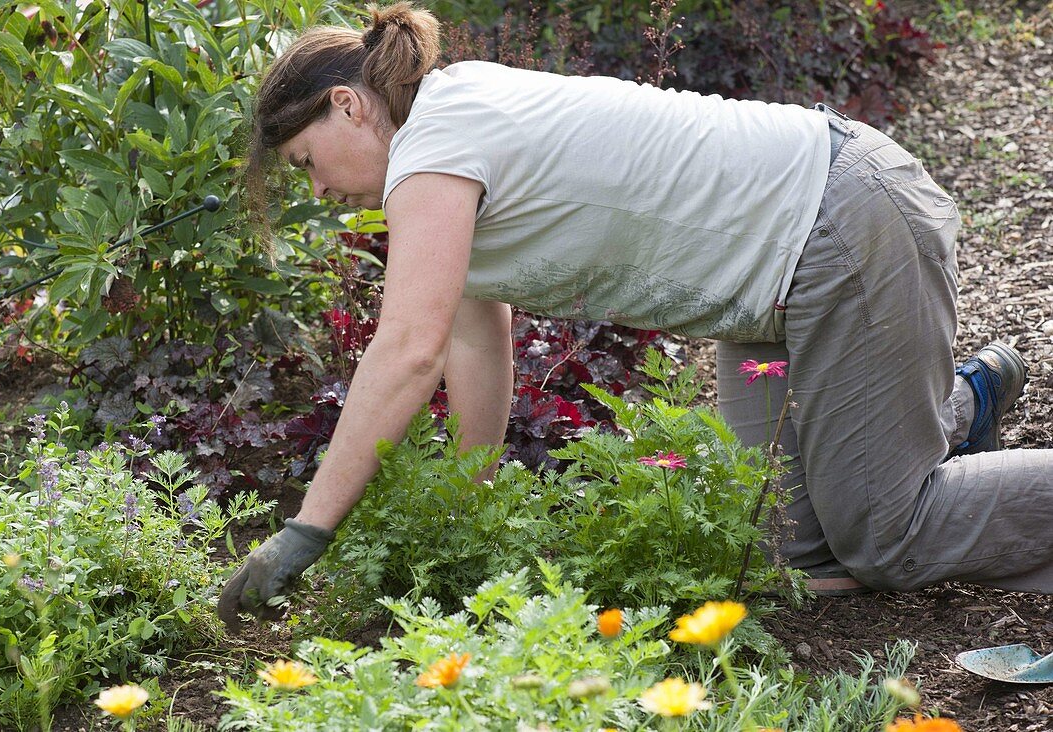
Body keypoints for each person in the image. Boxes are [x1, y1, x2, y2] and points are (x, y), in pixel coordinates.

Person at [217, 2, 1052, 629]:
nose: (321, 191)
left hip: (847, 227)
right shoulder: (446, 133)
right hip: (781, 290)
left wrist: (306, 531)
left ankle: (935, 423)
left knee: (885, 536)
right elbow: (473, 346)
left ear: (347, 105)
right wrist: (463, 523)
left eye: (306, 162)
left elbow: (403, 350)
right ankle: (957, 404)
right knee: (790, 550)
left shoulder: (433, 143)